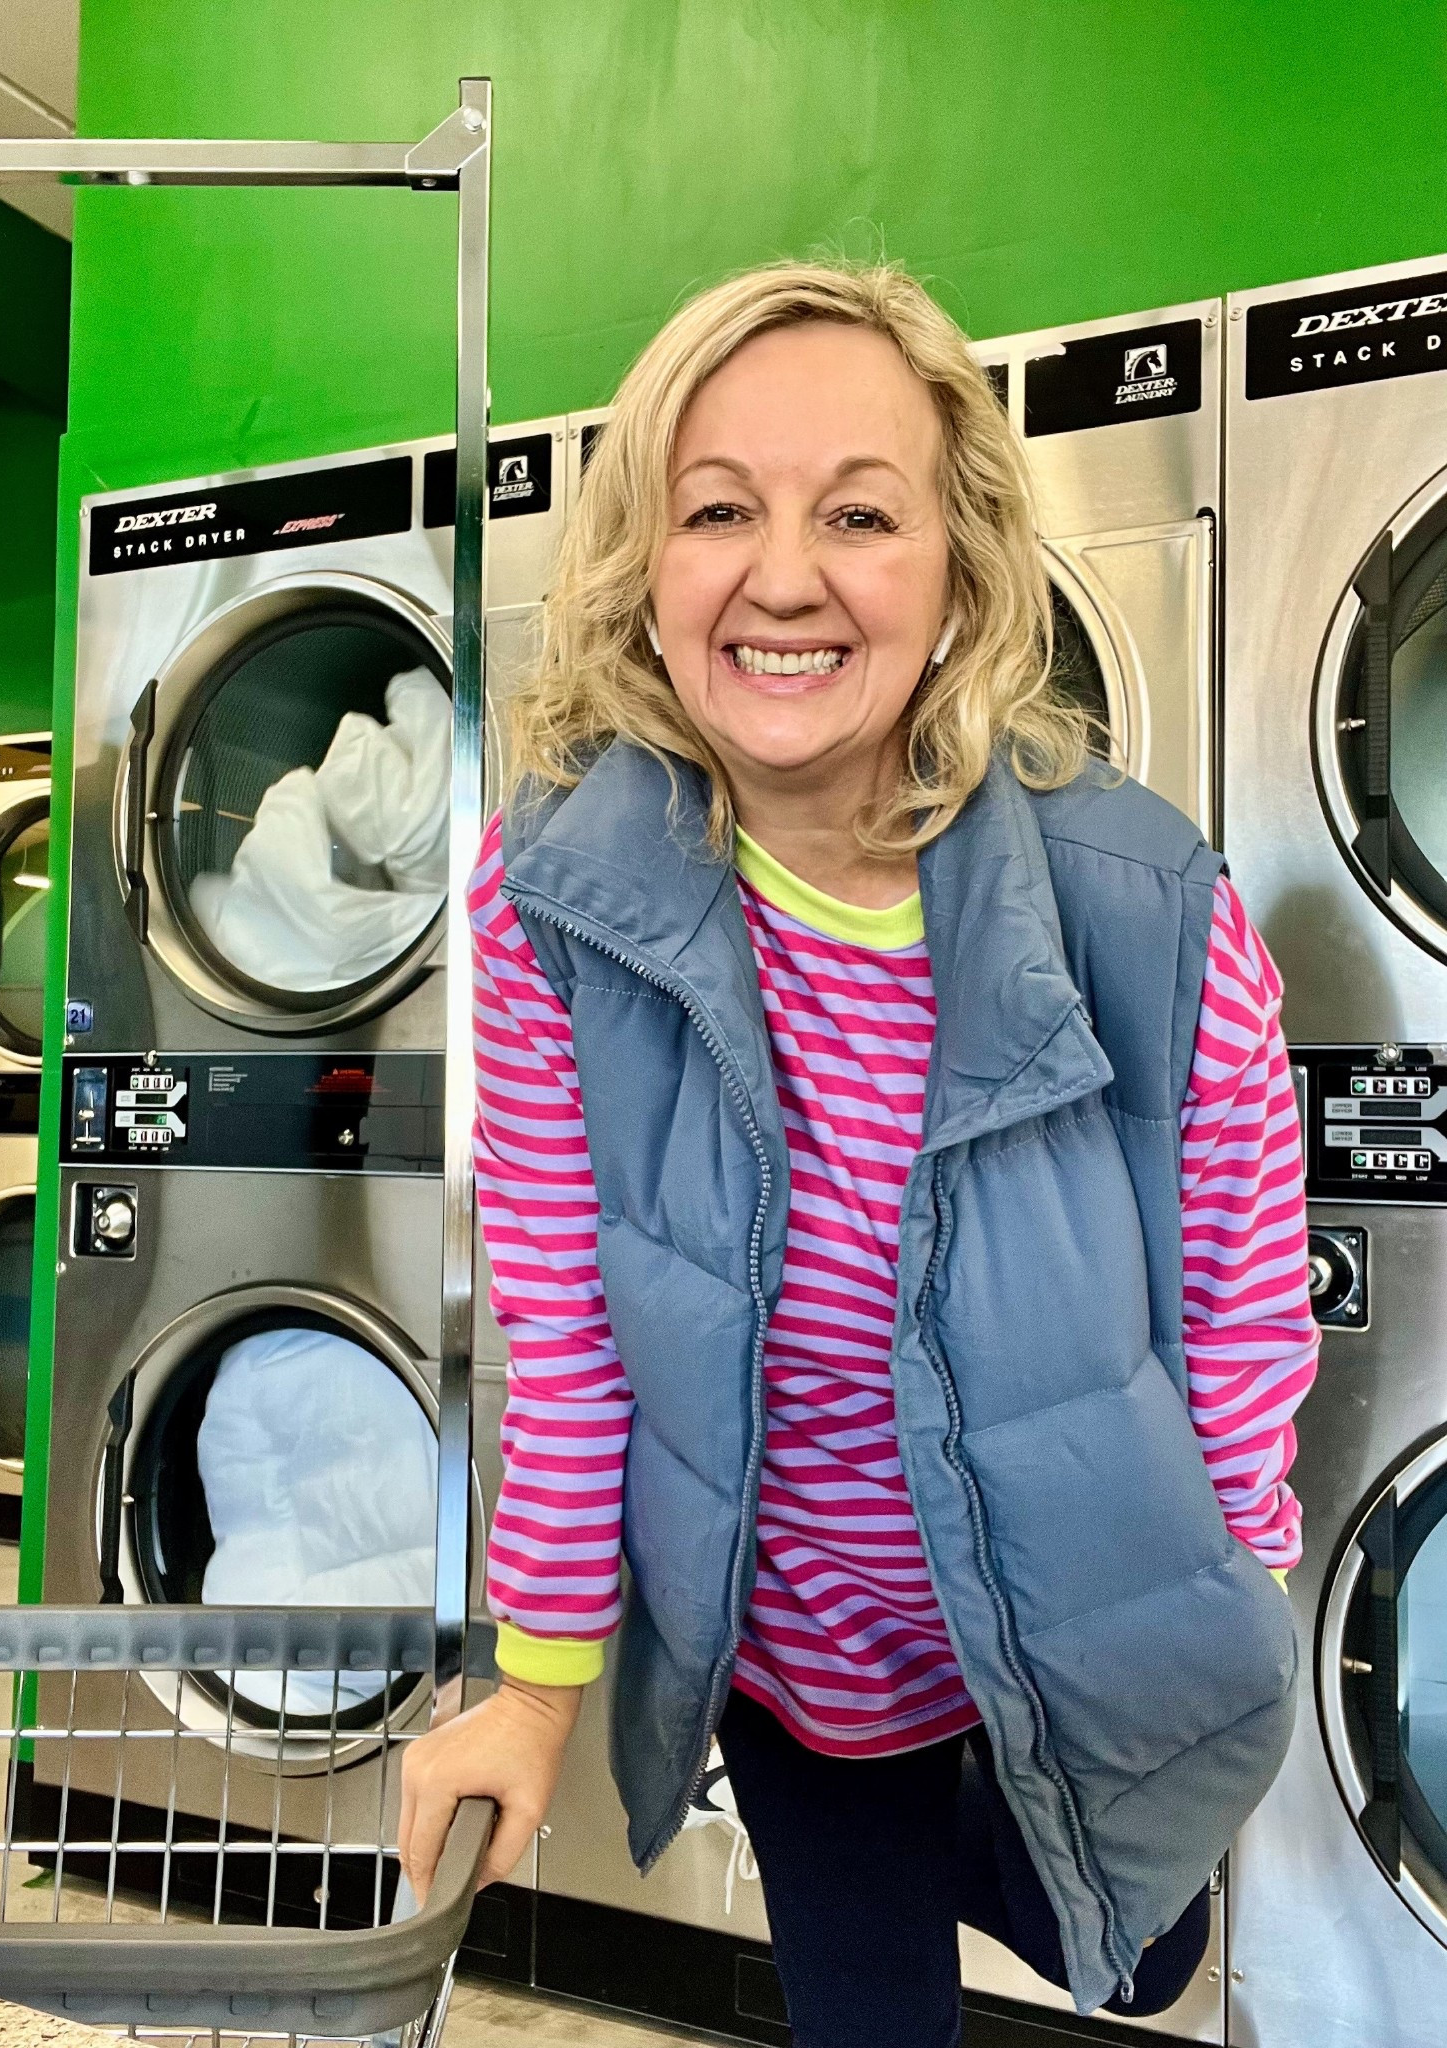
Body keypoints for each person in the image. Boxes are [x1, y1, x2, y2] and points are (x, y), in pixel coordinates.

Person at [397, 261, 1318, 2048]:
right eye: (719, 509)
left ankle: (1037, 1833)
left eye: (862, 513)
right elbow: (573, 1337)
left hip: (1079, 1613)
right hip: (791, 1636)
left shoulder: (1145, 909)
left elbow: (1237, 1313)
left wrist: (1225, 1609)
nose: (786, 575)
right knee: (865, 2008)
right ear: (645, 568)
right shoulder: (553, 907)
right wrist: (533, 1687)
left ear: (961, 570)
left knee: (1136, 1956)